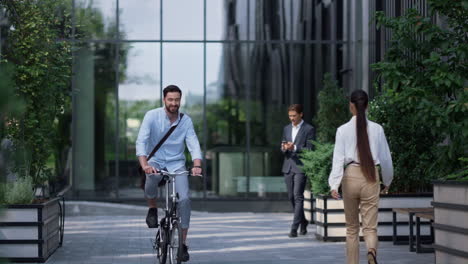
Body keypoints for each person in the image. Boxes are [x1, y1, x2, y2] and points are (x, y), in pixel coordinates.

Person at [136, 85, 202, 262]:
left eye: (177, 100)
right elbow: (141, 141)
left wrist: (197, 165)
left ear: (180, 100)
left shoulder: (185, 120)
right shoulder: (152, 116)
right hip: (155, 161)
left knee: (185, 200)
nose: (174, 103)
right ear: (164, 99)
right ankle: (152, 208)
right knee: (151, 178)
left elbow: (193, 144)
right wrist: (145, 165)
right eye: (171, 99)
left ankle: (183, 244)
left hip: (177, 163)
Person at [328, 89, 393, 264]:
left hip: (350, 176)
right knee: (370, 228)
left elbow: (338, 160)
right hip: (371, 175)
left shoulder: (342, 130)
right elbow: (386, 158)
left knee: (351, 229)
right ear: (368, 106)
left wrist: (334, 185)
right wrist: (387, 181)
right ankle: (371, 252)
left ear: (351, 106)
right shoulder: (377, 129)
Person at [281, 104, 315, 238]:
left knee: (298, 196)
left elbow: (310, 149)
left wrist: (294, 147)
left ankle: (294, 228)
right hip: (288, 166)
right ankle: (304, 221)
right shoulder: (286, 128)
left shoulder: (309, 129)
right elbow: (282, 145)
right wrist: (284, 147)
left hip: (300, 167)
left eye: (294, 116)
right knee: (291, 197)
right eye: (290, 116)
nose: (292, 118)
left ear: (301, 114)